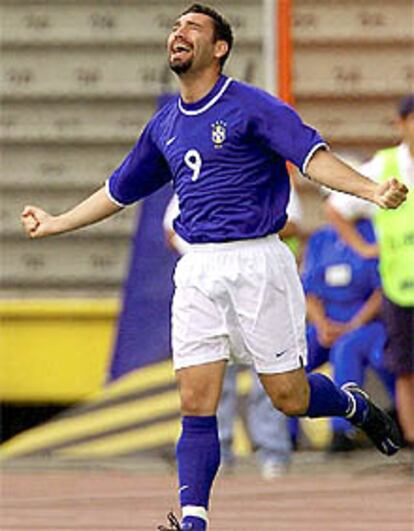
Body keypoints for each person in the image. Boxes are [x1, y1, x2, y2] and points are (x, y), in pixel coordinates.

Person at [21, 5, 407, 530]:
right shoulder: (165, 126)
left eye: (192, 28)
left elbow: (313, 156)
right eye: (175, 27)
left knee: (288, 397)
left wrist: (371, 190)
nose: (178, 33)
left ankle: (350, 403)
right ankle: (195, 519)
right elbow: (119, 189)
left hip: (258, 263)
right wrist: (57, 221)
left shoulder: (251, 107)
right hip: (199, 268)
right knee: (195, 398)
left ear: (219, 48)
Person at [164, 194, 292, 479]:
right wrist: (205, 248)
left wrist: (238, 238)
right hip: (209, 287)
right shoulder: (195, 169)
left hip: (257, 282)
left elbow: (290, 223)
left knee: (273, 380)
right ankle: (218, 453)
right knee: (211, 378)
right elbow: (171, 228)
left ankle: (272, 451)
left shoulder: (262, 171)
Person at [325, 94, 414, 450]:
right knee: (406, 368)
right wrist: (363, 248)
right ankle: (410, 442)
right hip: (398, 285)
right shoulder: (385, 165)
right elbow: (335, 208)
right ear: (401, 124)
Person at [301, 214, 395, 451]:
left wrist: (353, 324)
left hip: (367, 322)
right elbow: (309, 291)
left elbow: (382, 289)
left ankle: (343, 432)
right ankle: (283, 438)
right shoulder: (320, 238)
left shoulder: (373, 232)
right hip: (328, 323)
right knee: (290, 357)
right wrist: (322, 324)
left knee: (346, 349)